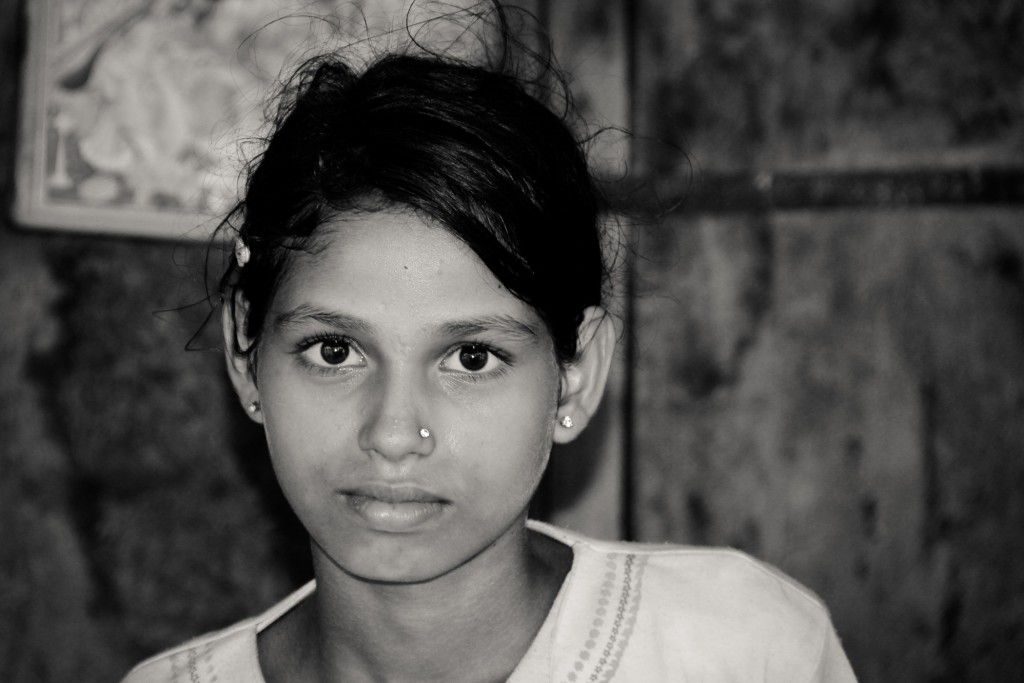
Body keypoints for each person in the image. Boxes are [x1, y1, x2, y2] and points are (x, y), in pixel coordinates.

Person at [121, 9, 858, 683]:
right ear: (246, 355)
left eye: (471, 357)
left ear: (573, 378)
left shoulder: (741, 649)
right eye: (335, 350)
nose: (393, 434)